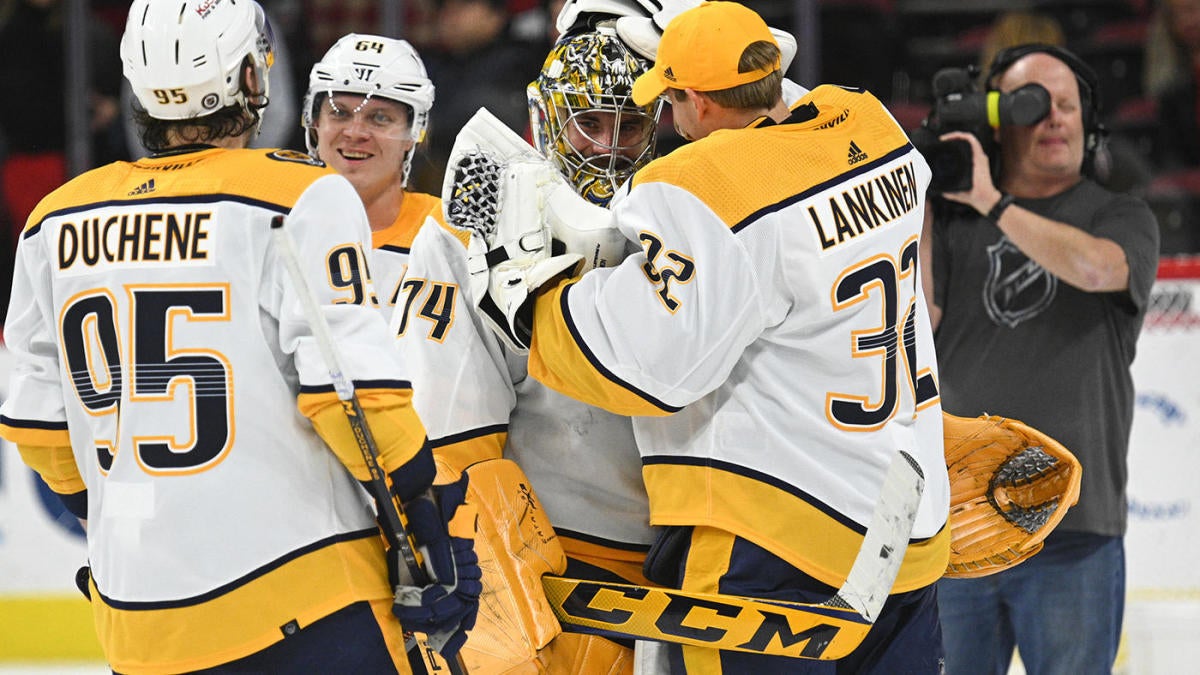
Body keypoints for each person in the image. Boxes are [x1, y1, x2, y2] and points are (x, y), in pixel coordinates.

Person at [0, 0, 479, 672]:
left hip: (137, 623)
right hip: (299, 603)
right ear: (251, 81)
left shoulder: (55, 219)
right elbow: (354, 397)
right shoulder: (299, 195)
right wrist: (428, 524)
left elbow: (37, 425)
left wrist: (111, 532)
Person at [482, 3, 953, 672]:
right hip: (906, 527)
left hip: (778, 551)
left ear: (694, 102)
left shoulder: (706, 184)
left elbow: (645, 367)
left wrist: (532, 301)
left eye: (669, 99)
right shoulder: (871, 123)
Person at [393, 23, 665, 674]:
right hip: (545, 577)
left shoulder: (688, 222)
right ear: (546, 119)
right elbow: (449, 443)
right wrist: (479, 580)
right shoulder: (464, 236)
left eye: (628, 128)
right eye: (588, 124)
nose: (607, 150)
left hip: (677, 576)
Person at [920, 43, 1160, 674]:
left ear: (1090, 119)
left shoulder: (1121, 215)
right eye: (1034, 103)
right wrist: (918, 194)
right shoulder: (949, 220)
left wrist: (992, 202)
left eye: (1069, 104)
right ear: (996, 121)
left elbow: (1095, 266)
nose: (1055, 118)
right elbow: (915, 318)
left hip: (1074, 528)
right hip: (960, 526)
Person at [301, 32, 441, 324]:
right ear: (315, 123)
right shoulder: (274, 223)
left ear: (413, 133)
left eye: (379, 118)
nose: (355, 133)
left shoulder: (448, 235)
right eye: (339, 113)